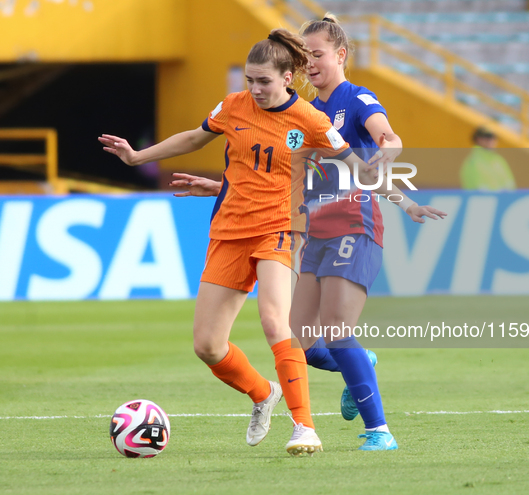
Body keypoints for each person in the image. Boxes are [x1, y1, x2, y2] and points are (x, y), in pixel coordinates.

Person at [172, 17, 446, 452]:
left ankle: (379, 431)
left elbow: (385, 137)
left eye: (318, 54)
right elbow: (283, 171)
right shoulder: (297, 110)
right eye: (307, 55)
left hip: (351, 225)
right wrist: (218, 185)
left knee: (334, 331)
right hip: (307, 229)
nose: (311, 63)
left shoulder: (357, 99)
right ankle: (358, 366)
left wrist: (391, 161)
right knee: (301, 341)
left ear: (340, 55)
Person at [99, 28, 361, 456]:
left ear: (288, 78)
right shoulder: (233, 106)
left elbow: (354, 164)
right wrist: (137, 157)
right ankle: (263, 393)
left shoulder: (311, 120)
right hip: (228, 230)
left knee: (276, 321)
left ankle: (305, 427)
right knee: (207, 345)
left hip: (279, 227)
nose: (255, 89)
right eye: (249, 80)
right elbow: (193, 136)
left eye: (264, 81)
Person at [460, 127, 516, 191]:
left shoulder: (500, 160)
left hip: (503, 200)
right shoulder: (473, 162)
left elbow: (510, 185)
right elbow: (477, 189)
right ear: (478, 139)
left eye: (494, 137)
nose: (491, 140)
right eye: (487, 137)